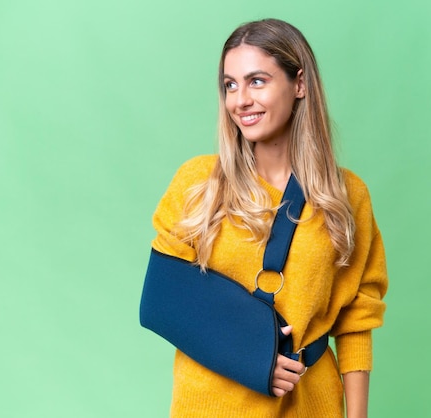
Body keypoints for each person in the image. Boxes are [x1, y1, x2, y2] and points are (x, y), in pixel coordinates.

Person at [149, 18, 388, 418]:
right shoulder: (198, 184)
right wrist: (251, 358)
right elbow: (163, 298)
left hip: (312, 402)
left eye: (257, 81)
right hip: (211, 404)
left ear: (300, 84)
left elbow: (356, 316)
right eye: (230, 84)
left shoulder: (347, 196)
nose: (240, 99)